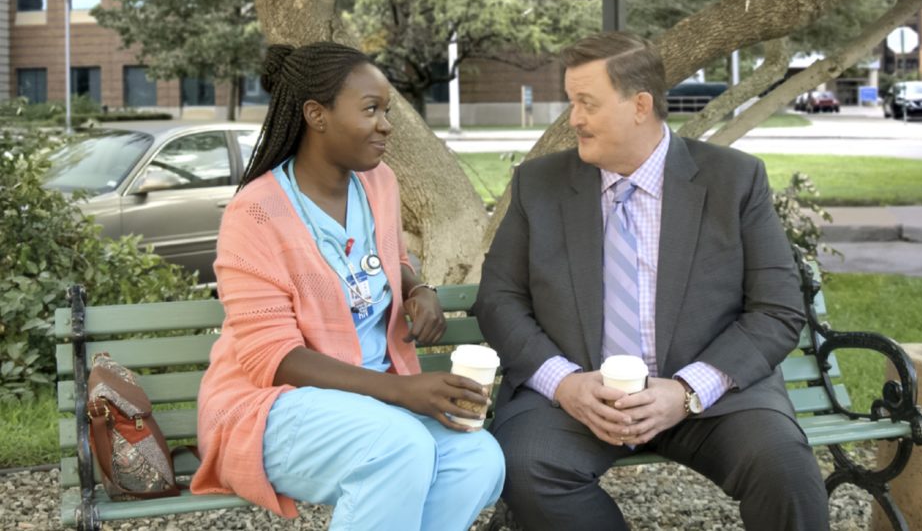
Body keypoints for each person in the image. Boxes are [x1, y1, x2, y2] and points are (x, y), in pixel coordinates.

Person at [474, 31, 828, 530]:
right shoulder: (540, 184)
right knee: (528, 467)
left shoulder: (734, 180)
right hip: (579, 399)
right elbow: (499, 300)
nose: (573, 119)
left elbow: (776, 309)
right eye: (572, 102)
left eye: (586, 104)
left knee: (784, 467)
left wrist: (686, 391)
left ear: (640, 105)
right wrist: (564, 383)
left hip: (708, 397)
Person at [191, 42, 504, 531]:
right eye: (371, 110)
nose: (386, 124)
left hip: (375, 403)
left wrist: (418, 289)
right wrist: (401, 390)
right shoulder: (255, 213)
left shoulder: (378, 183)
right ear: (317, 115)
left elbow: (390, 258)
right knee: (399, 445)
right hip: (273, 408)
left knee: (478, 457)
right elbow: (270, 358)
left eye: (386, 110)